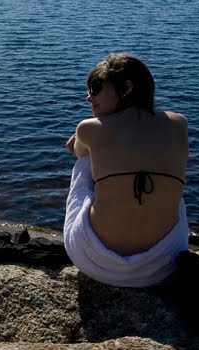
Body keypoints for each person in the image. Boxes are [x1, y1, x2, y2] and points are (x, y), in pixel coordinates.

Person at [63, 52, 190, 288]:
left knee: (85, 160)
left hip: (95, 261)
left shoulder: (89, 128)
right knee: (169, 185)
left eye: (95, 88)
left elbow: (76, 150)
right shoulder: (179, 123)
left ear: (127, 87)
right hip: (163, 264)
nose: (89, 98)